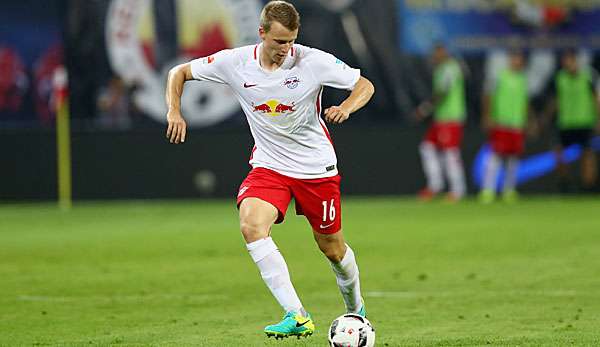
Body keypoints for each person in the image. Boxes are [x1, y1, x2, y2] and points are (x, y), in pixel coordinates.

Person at [164, 0, 375, 340]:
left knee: (333, 249)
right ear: (261, 33)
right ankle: (297, 314)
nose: (286, 49)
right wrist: (174, 111)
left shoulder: (312, 61)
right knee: (251, 224)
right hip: (270, 165)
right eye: (279, 42)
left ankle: (356, 309)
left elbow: (364, 85)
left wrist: (347, 107)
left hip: (315, 168)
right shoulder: (235, 63)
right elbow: (179, 72)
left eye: (291, 41)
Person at [479, 50, 535, 203]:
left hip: (517, 124)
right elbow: (488, 96)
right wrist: (487, 116)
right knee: (495, 156)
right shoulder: (500, 76)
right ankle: (488, 190)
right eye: (515, 58)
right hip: (501, 122)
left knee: (514, 158)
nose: (518, 62)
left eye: (520, 59)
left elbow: (525, 102)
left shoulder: (523, 79)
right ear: (510, 59)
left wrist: (530, 120)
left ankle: (508, 190)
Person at [414, 44, 467, 202]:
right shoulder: (441, 69)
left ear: (444, 52)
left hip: (451, 117)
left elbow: (443, 92)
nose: (435, 56)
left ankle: (458, 190)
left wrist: (425, 109)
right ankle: (435, 185)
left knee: (450, 153)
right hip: (441, 118)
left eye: (438, 53)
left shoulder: (450, 68)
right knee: (427, 147)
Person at [544, 49, 599, 193]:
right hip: (565, 122)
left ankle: (589, 186)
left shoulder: (588, 75)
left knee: (587, 154)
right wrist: (546, 118)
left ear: (575, 60)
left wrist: (598, 119)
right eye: (565, 60)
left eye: (570, 60)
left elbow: (596, 99)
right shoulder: (559, 78)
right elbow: (554, 101)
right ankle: (565, 182)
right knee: (558, 154)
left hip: (584, 121)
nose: (567, 63)